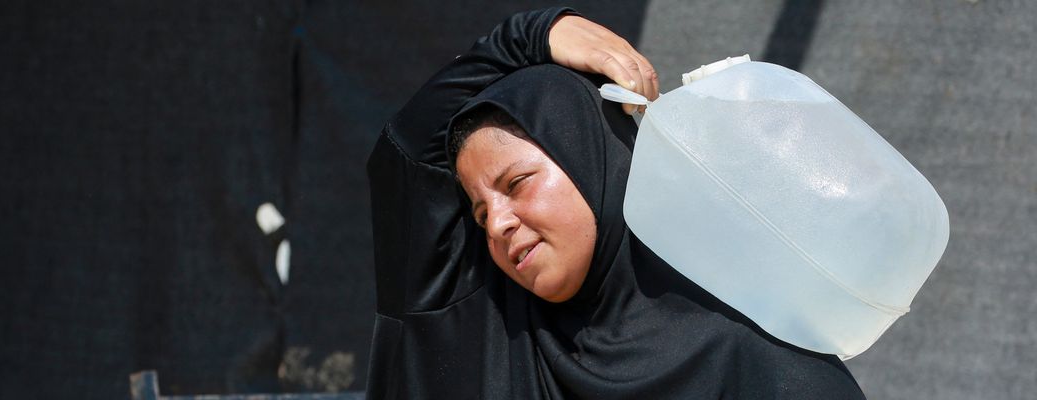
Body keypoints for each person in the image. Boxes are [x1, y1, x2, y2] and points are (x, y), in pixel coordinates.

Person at [366, 8, 865, 399]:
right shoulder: (477, 327)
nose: (496, 224)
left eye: (516, 184)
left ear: (594, 162)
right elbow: (405, 157)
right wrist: (528, 37)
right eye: (478, 213)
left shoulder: (757, 360)